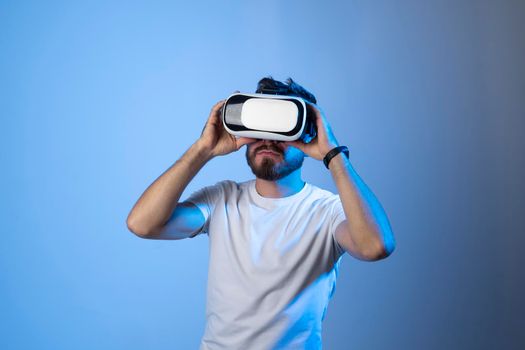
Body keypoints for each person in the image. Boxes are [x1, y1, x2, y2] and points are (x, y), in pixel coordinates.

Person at [126, 77, 396, 349]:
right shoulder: (222, 199)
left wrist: (333, 154)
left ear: (308, 133)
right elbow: (142, 224)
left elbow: (375, 246)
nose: (268, 140)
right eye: (260, 128)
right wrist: (203, 149)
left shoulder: (328, 211)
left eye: (281, 129)